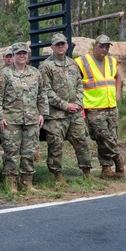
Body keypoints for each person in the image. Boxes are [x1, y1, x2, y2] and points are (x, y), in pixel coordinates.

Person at [0, 42, 47, 193]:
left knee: (29, 152)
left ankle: (27, 182)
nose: (22, 56)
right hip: (11, 121)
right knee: (11, 152)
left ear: (28, 56)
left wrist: (42, 113)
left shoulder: (35, 73)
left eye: (24, 53)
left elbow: (42, 94)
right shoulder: (5, 74)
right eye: (18, 53)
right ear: (13, 56)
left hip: (31, 120)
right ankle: (11, 183)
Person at [40, 33, 93, 185]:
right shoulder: (46, 66)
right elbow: (46, 91)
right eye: (57, 44)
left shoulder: (73, 64)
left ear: (67, 46)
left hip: (74, 113)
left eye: (62, 44)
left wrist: (77, 103)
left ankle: (87, 172)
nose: (60, 46)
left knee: (81, 142)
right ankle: (58, 176)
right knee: (56, 145)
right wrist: (65, 105)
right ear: (52, 47)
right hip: (56, 115)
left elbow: (79, 85)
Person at [76, 34, 125, 178]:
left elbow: (118, 76)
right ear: (95, 46)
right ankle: (118, 158)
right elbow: (75, 83)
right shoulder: (82, 61)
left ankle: (106, 169)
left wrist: (118, 92)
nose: (105, 49)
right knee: (103, 137)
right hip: (94, 107)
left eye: (107, 46)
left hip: (111, 105)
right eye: (102, 46)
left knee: (112, 137)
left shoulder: (111, 61)